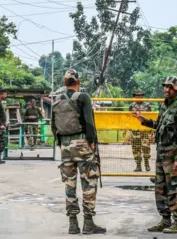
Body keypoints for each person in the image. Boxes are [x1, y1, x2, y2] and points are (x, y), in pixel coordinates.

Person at [133, 76, 177, 234]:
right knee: (160, 188)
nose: (166, 90)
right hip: (161, 153)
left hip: (172, 156)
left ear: (176, 90)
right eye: (165, 87)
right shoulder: (163, 106)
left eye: (170, 87)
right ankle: (165, 219)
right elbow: (159, 126)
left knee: (174, 188)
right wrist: (144, 121)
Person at [51, 69, 106, 235]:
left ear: (64, 82)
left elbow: (54, 126)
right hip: (82, 144)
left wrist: (60, 143)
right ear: (78, 82)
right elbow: (89, 122)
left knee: (69, 184)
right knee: (89, 182)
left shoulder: (56, 100)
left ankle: (72, 224)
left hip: (65, 146)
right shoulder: (83, 97)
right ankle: (88, 222)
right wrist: (92, 142)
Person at [124, 90, 153, 172]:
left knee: (146, 148)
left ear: (143, 96)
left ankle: (147, 165)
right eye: (137, 96)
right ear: (134, 97)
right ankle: (138, 166)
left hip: (144, 130)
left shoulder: (147, 105)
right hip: (134, 130)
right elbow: (129, 118)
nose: (139, 97)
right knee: (136, 148)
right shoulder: (131, 105)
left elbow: (150, 118)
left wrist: (151, 131)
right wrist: (127, 129)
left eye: (140, 95)